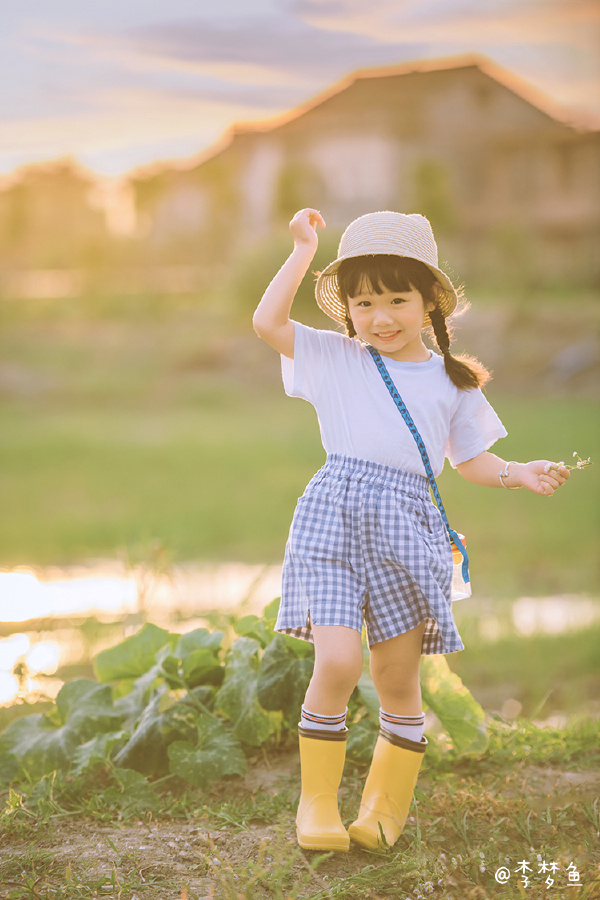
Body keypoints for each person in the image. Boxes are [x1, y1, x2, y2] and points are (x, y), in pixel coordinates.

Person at [252, 208, 570, 853]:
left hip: (408, 528)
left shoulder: (453, 382)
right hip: (333, 515)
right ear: (346, 309)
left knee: (397, 676)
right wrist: (302, 250)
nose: (380, 317)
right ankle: (316, 809)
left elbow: (472, 460)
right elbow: (268, 323)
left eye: (397, 298)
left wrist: (520, 473)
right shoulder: (337, 356)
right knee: (337, 660)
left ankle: (382, 810)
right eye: (363, 302)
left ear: (429, 301)